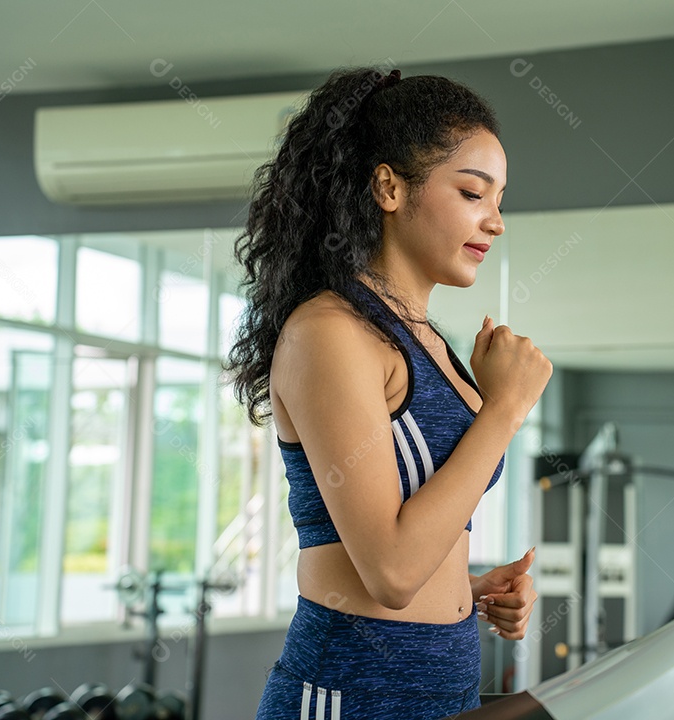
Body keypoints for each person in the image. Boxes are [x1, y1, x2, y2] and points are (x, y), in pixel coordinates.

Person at [225, 64, 552, 720]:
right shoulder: (329, 333)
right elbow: (392, 573)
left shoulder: (425, 340)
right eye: (473, 192)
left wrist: (466, 588)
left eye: (499, 199)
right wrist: (506, 409)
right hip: (350, 695)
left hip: (447, 688)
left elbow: (409, 544)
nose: (495, 222)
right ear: (389, 187)